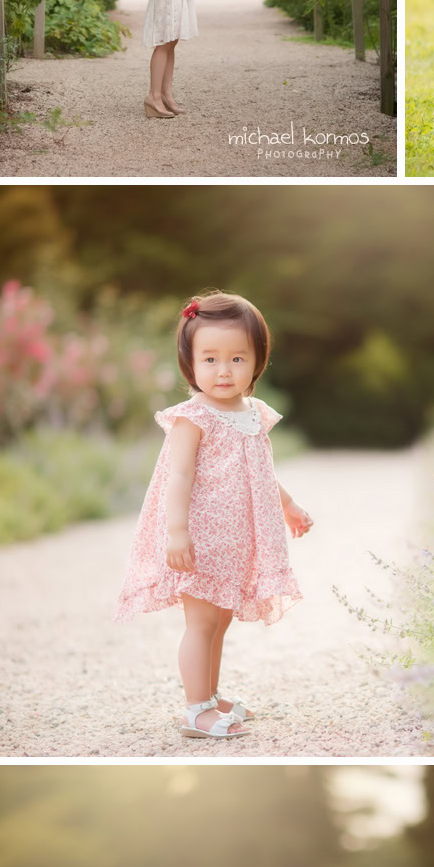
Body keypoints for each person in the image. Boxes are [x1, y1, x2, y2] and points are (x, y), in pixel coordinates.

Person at [114, 291, 312, 740]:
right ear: (190, 363)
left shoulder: (253, 413)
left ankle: (210, 693)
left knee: (220, 620)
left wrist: (288, 505)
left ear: (258, 361)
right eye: (210, 359)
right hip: (201, 539)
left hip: (235, 541)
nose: (224, 371)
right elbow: (178, 476)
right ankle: (195, 710)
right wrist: (176, 533)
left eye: (238, 358)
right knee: (201, 623)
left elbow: (260, 472)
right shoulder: (194, 416)